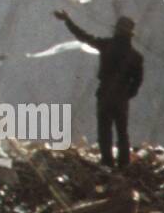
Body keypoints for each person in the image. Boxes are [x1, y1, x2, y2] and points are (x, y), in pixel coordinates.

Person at [52, 11, 144, 168]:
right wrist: (128, 94)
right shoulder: (136, 56)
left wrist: (68, 20)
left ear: (116, 30)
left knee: (104, 131)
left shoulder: (107, 45)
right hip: (121, 96)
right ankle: (124, 163)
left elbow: (84, 36)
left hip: (105, 93)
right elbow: (137, 81)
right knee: (122, 132)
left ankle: (107, 161)